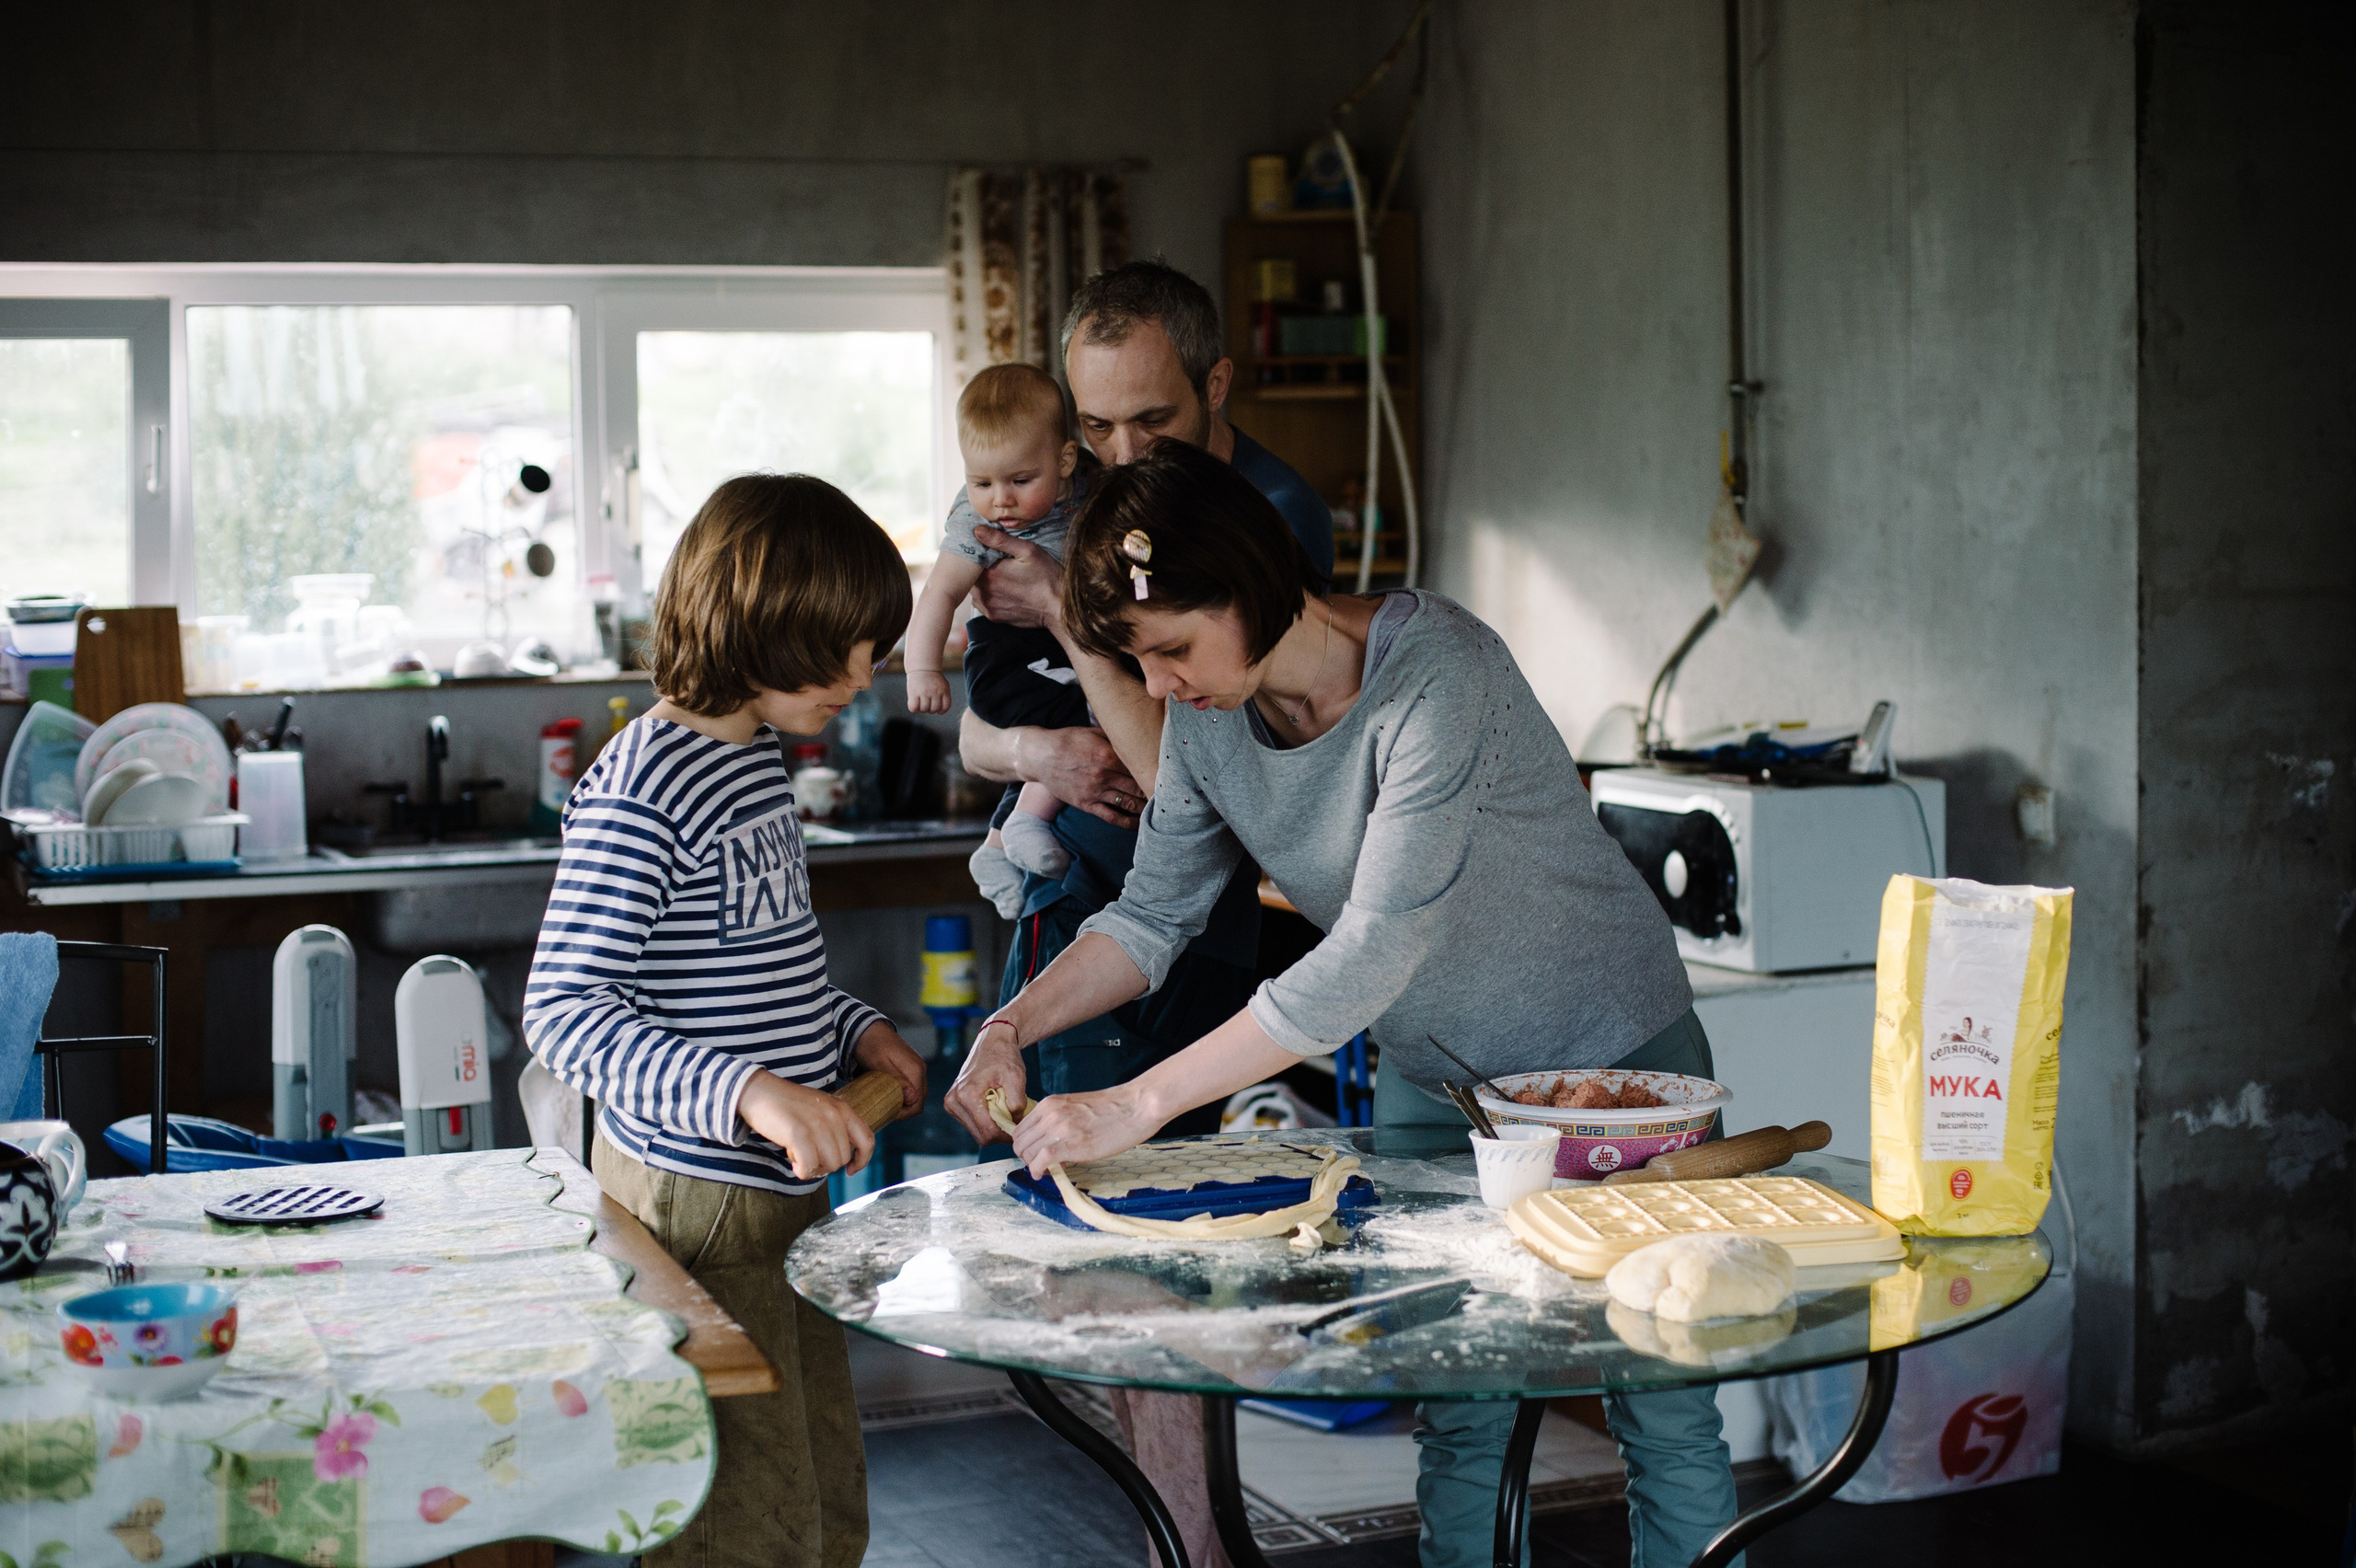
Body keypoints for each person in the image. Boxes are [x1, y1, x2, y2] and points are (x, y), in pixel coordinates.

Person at [945, 443, 1744, 1568]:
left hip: (1614, 1069)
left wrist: (1133, 1106)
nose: (1162, 688)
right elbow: (1151, 917)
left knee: (1659, 1396)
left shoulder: (1439, 672)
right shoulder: (1215, 723)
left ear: (1255, 583)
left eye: (1174, 649)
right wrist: (1009, 1024)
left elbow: (1372, 950)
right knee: (1459, 1400)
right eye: (1142, 659)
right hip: (1447, 1083)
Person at [525, 474, 929, 1568]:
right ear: (759, 624)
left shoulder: (750, 760)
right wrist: (752, 1093)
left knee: (818, 1492)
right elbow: (565, 1011)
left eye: (874, 647)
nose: (866, 676)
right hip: (691, 1201)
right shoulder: (645, 786)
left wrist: (851, 1033)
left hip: (775, 1194)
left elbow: (757, 971)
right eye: (845, 649)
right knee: (737, 1521)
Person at [955, 259, 1334, 1113]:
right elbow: (976, 733)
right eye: (1097, 427)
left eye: (1153, 421)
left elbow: (1190, 783)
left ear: (1217, 385)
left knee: (1150, 1182)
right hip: (1077, 894)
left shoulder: (1270, 520)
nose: (1121, 457)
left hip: (1186, 916)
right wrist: (1037, 751)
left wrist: (1061, 610)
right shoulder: (1078, 493)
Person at [906, 363, 1097, 907]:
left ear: (1064, 461)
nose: (1000, 501)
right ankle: (1027, 824)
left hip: (1059, 644)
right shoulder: (977, 524)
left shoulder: (1090, 486)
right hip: (1008, 656)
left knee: (1089, 706)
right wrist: (922, 669)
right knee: (1081, 714)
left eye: (1019, 481)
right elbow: (940, 593)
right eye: (981, 482)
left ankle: (994, 845)